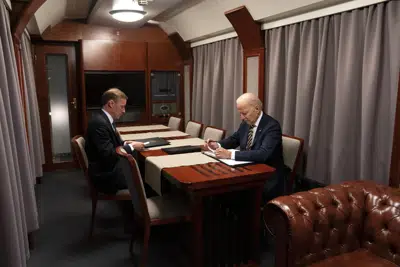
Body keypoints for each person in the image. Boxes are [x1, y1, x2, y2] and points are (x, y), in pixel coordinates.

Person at [205, 93, 286, 201]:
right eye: (240, 113)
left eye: (244, 113)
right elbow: (235, 139)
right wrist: (217, 144)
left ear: (256, 109)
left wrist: (230, 154)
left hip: (267, 176)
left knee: (228, 192)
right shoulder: (246, 122)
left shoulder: (272, 126)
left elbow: (263, 154)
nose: (241, 117)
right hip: (247, 169)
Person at [85, 88, 145, 194]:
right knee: (146, 177)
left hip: (108, 168)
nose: (124, 111)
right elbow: (109, 153)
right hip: (105, 176)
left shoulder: (104, 119)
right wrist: (132, 147)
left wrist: (126, 143)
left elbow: (113, 144)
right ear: (111, 104)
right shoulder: (99, 123)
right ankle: (143, 207)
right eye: (122, 106)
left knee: (143, 169)